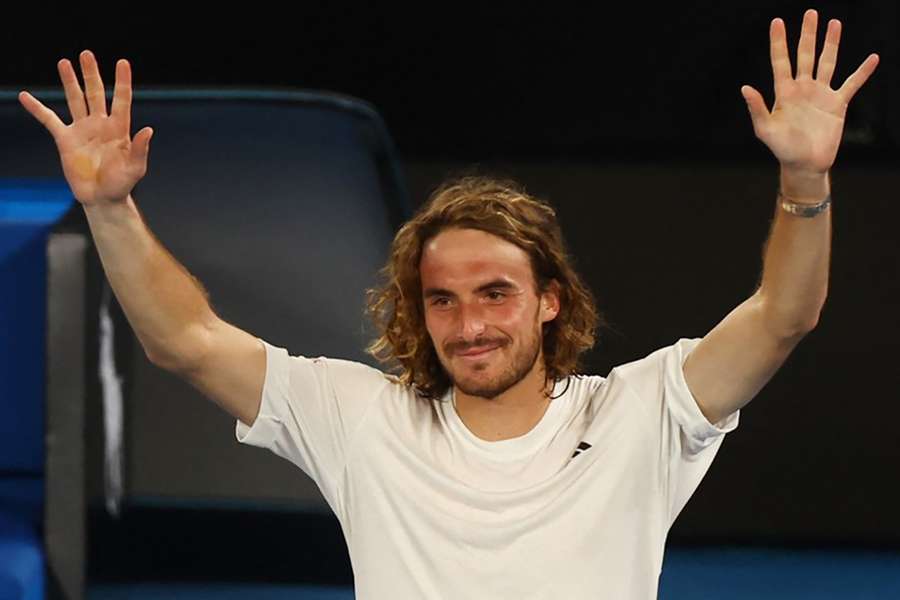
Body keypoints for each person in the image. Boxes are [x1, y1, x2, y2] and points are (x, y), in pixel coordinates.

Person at [19, 9, 879, 599]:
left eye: (496, 293)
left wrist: (805, 175)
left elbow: (783, 315)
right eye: (442, 299)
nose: (469, 324)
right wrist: (108, 207)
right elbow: (187, 340)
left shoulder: (643, 409)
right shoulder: (359, 417)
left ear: (550, 300)